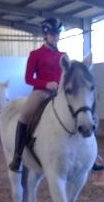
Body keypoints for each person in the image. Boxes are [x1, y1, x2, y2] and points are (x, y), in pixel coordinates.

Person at [9, 18, 66, 172]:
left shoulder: (63, 55)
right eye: (53, 34)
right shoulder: (35, 54)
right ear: (46, 35)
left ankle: (92, 154)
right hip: (41, 92)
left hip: (60, 93)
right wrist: (46, 84)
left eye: (58, 34)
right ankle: (18, 156)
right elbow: (28, 78)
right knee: (24, 116)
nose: (56, 37)